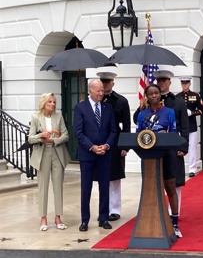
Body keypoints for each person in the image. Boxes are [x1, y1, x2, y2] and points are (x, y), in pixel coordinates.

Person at [133, 70, 189, 223]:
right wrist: (141, 107)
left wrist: (183, 147)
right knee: (155, 181)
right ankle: (158, 211)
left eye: (165, 80)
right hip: (151, 151)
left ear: (170, 82)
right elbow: (137, 122)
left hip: (172, 148)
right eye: (160, 80)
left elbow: (184, 126)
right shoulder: (147, 105)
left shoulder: (177, 101)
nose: (162, 83)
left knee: (174, 181)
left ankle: (173, 214)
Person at [136, 84, 182, 237]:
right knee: (151, 189)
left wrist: (165, 135)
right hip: (149, 157)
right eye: (151, 94)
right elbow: (138, 134)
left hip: (167, 155)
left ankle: (175, 223)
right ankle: (150, 221)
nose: (154, 96)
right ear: (147, 97)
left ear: (160, 95)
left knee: (170, 187)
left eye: (156, 93)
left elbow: (174, 132)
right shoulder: (142, 114)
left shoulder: (169, 112)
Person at [74, 79, 117, 232]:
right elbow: (78, 132)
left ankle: (103, 218)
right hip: (87, 154)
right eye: (98, 90)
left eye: (102, 90)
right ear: (90, 91)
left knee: (104, 186)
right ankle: (85, 220)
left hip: (104, 154)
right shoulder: (80, 108)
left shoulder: (108, 107)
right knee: (86, 188)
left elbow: (113, 130)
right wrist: (92, 147)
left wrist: (106, 145)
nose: (101, 93)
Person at [28, 92, 71, 231]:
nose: (53, 104)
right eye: (50, 102)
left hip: (57, 152)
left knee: (58, 185)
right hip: (42, 153)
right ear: (44, 103)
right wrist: (41, 136)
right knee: (43, 186)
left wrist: (53, 140)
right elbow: (30, 138)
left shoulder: (58, 117)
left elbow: (65, 135)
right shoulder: (36, 117)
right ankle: (43, 218)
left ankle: (58, 217)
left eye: (54, 102)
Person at [96, 72, 131, 222]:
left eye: (108, 81)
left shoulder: (121, 101)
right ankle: (103, 209)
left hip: (116, 142)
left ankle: (115, 209)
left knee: (115, 177)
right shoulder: (95, 100)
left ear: (113, 83)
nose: (105, 84)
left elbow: (126, 126)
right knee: (101, 178)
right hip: (99, 141)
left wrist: (125, 146)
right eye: (103, 81)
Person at [177, 77, 203, 177]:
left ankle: (192, 169)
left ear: (189, 84)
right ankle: (180, 168)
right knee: (180, 147)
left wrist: (192, 113)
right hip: (180, 126)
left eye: (186, 83)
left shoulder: (195, 96)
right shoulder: (177, 97)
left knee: (192, 147)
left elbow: (202, 110)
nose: (184, 85)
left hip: (191, 125)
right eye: (182, 83)